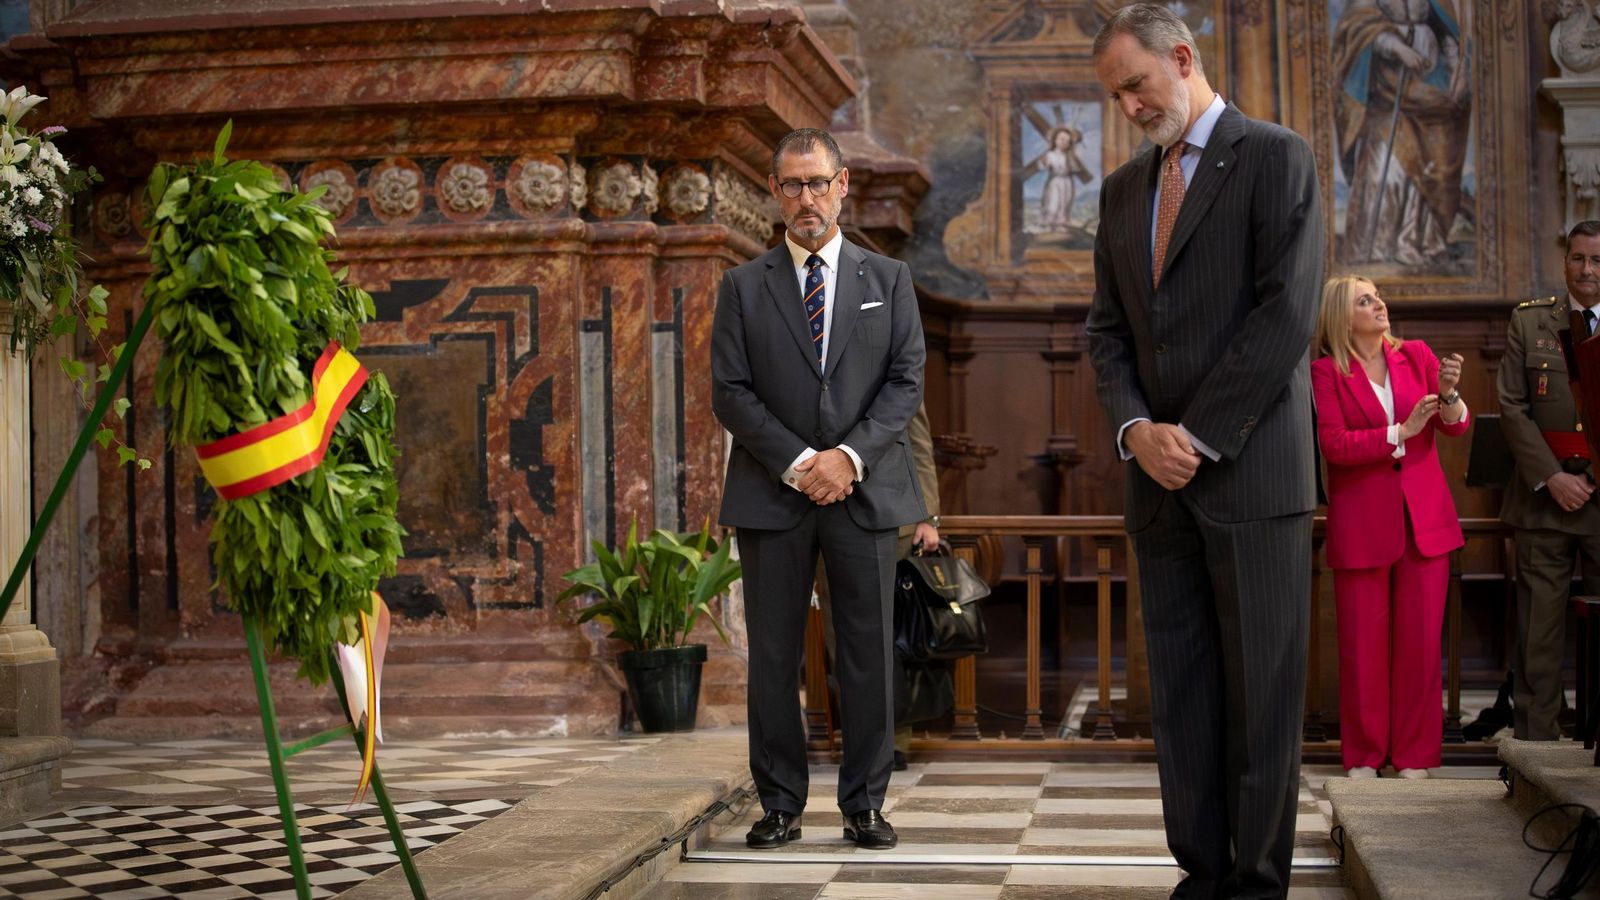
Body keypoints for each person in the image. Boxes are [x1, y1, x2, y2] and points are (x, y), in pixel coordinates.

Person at [1086, 5, 1325, 897]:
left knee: (1262, 701)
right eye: (1116, 96)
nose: (1130, 108)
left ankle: (1257, 882)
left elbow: (1286, 315)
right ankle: (1201, 873)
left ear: (1182, 59)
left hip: (1252, 474)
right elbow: (1106, 334)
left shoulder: (1274, 157)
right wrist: (1136, 431)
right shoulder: (1120, 192)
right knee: (1182, 700)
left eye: (1137, 86)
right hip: (1158, 485)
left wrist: (1196, 435)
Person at [711, 127, 926, 850]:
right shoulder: (742, 286)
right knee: (773, 656)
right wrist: (804, 460)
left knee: (866, 654)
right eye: (793, 184)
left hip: (864, 493)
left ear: (843, 186)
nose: (807, 198)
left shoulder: (888, 281)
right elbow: (731, 393)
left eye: (819, 182)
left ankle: (865, 804)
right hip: (775, 493)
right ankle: (779, 805)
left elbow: (904, 385)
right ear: (775, 193)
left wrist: (848, 459)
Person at [1311, 275, 1469, 779]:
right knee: (1362, 648)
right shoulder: (1324, 372)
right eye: (1365, 299)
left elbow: (1457, 425)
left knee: (1421, 646)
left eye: (1377, 295)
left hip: (1425, 522)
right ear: (1342, 316)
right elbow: (1335, 445)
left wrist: (1447, 396)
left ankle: (1415, 757)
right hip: (1362, 524)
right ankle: (1363, 755)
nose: (1379, 303)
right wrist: (1400, 432)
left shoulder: (1418, 355)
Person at [1497, 220, 1600, 741]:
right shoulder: (1531, 322)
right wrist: (1553, 477)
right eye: (1579, 259)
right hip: (1545, 499)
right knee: (1538, 634)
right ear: (1566, 263)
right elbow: (1513, 407)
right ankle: (1535, 752)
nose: (1587, 271)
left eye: (1598, 261)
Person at [815, 402, 942, 770]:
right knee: (839, 638)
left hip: (891, 522)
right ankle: (857, 739)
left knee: (888, 637)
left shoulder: (890, 359)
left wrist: (928, 515)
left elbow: (918, 443)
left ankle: (894, 740)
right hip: (827, 509)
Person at [1332, 0, 1471, 267]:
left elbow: (1447, 31)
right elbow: (1356, 26)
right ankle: (1374, 248)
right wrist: (1396, 47)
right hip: (1387, 86)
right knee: (1385, 169)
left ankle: (1415, 244)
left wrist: (1456, 69)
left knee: (1430, 169)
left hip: (1432, 85)